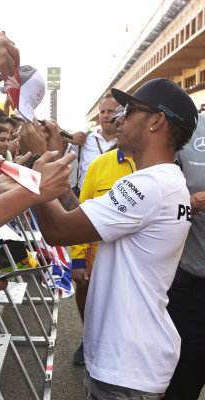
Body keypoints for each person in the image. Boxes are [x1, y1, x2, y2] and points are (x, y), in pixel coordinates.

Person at [33, 78, 196, 398]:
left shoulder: (150, 185)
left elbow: (58, 231)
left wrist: (38, 166)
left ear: (157, 121)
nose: (118, 119)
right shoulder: (164, 181)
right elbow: (82, 216)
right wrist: (53, 157)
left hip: (126, 366)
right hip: (132, 360)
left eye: (130, 111)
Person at [68, 106, 136, 366]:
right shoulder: (99, 165)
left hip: (136, 264)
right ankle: (90, 338)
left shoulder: (161, 166)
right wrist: (77, 259)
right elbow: (82, 213)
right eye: (116, 118)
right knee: (89, 300)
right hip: (97, 257)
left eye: (123, 118)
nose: (118, 123)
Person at [163, 113, 205, 400]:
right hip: (190, 283)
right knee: (181, 384)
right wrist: (192, 203)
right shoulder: (190, 127)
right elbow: (158, 196)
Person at [71, 93, 120, 189]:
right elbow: (55, 151)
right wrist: (66, 138)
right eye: (102, 112)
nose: (105, 116)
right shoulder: (85, 140)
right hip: (85, 201)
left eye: (110, 111)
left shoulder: (129, 142)